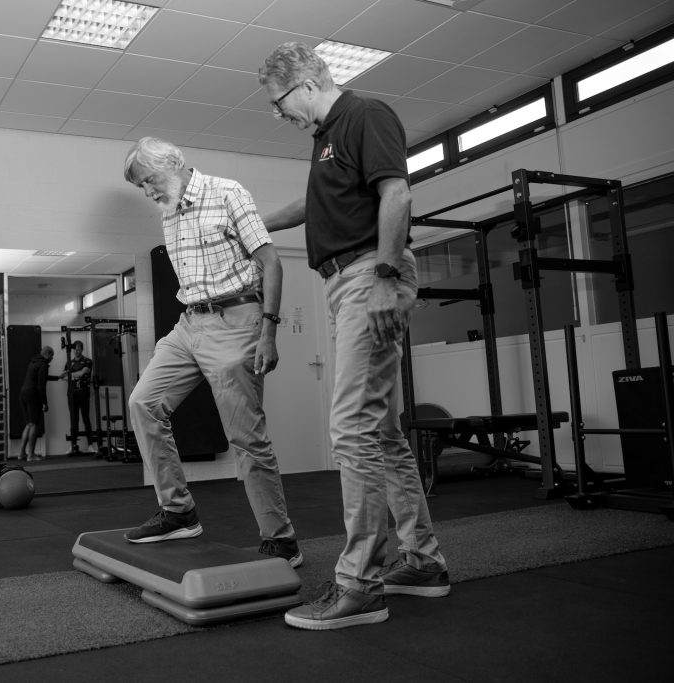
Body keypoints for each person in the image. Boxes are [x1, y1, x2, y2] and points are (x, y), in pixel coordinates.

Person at [257, 42, 449, 631]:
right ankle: (422, 562)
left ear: (307, 83)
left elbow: (398, 193)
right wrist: (250, 223)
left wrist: (387, 276)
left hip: (371, 274)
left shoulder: (364, 114)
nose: (279, 114)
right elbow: (314, 205)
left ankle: (360, 585)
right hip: (347, 280)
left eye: (279, 103)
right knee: (380, 432)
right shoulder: (326, 139)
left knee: (351, 429)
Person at [121, 136, 302, 568]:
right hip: (189, 323)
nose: (148, 192)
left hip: (237, 319)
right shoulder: (169, 212)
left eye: (148, 181)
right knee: (143, 403)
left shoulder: (227, 193)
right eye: (141, 187)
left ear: (171, 165)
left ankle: (281, 540)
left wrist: (268, 331)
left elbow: (272, 263)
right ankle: (178, 511)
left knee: (245, 437)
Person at [19, 346, 53, 461]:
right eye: (52, 356)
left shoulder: (33, 362)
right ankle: (31, 455)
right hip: (32, 394)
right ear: (47, 354)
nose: (52, 358)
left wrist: (58, 377)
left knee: (29, 424)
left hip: (23, 393)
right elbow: (41, 385)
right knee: (33, 424)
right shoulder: (43, 365)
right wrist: (45, 403)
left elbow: (42, 378)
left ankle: (21, 453)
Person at [60, 340, 94, 455]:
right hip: (72, 394)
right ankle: (73, 445)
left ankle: (90, 445)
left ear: (82, 349)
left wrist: (71, 375)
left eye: (78, 349)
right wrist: (76, 375)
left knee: (85, 418)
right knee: (74, 419)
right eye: (75, 349)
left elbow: (82, 373)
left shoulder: (88, 361)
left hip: (83, 393)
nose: (76, 351)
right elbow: (63, 376)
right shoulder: (69, 362)